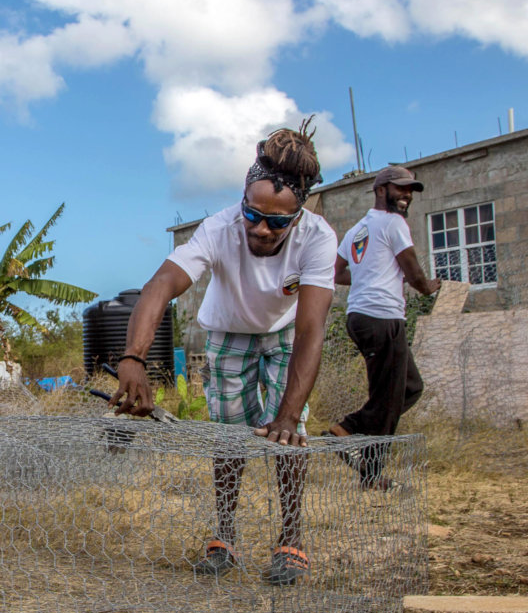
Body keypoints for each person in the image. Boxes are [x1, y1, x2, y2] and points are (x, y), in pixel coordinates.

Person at [112, 119, 336, 586]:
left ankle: (291, 540)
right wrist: (132, 357)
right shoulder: (218, 228)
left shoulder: (317, 238)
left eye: (277, 222)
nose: (261, 229)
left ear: (298, 215)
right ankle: (224, 538)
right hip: (228, 333)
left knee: (288, 439)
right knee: (229, 437)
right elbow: (160, 287)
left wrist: (289, 415)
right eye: (253, 214)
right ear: (244, 198)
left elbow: (311, 329)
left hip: (287, 335)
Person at [327, 166, 440, 490]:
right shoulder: (393, 223)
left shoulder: (357, 230)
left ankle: (362, 451)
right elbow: (412, 268)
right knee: (389, 398)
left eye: (410, 191)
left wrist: (365, 278)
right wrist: (427, 287)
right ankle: (350, 434)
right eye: (400, 189)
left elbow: (336, 273)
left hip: (361, 318)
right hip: (382, 318)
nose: (406, 196)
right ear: (381, 190)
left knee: (408, 388)